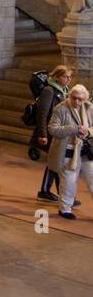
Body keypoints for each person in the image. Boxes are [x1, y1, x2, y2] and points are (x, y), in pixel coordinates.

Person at [49, 83, 93, 221]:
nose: (77, 101)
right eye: (74, 98)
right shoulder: (61, 108)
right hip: (67, 151)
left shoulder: (89, 108)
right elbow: (52, 129)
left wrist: (88, 131)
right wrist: (73, 128)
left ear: (85, 99)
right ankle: (65, 208)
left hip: (86, 150)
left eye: (80, 99)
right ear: (70, 96)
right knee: (69, 182)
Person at [34, 65, 73, 202]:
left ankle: (56, 193)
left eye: (70, 77)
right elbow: (43, 114)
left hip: (61, 132)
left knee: (57, 162)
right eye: (65, 76)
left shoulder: (65, 91)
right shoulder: (49, 91)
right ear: (57, 77)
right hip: (51, 131)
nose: (69, 79)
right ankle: (53, 193)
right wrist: (42, 134)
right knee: (55, 162)